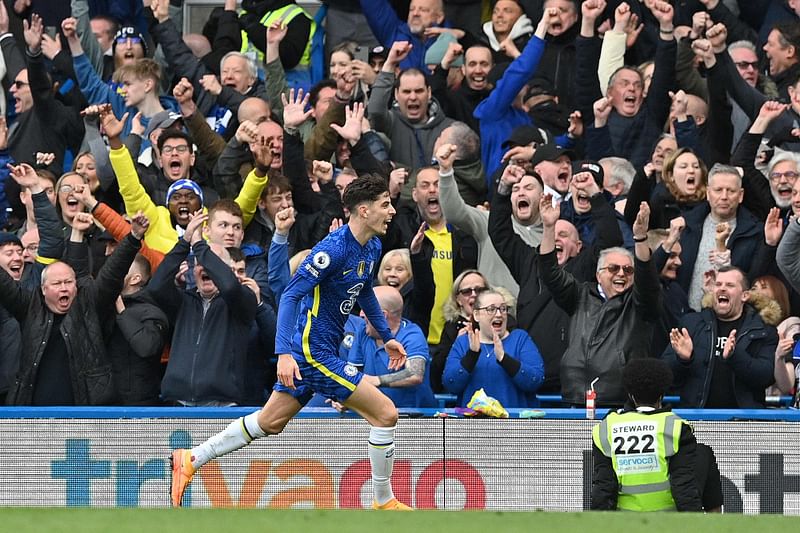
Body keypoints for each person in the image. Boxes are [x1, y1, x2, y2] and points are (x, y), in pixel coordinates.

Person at [170, 174, 413, 511]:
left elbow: (365, 291)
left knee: (269, 421)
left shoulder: (371, 246)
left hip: (317, 351)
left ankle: (192, 458)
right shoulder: (331, 250)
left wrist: (387, 338)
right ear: (363, 209)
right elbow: (289, 296)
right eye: (385, 204)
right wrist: (284, 353)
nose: (390, 211)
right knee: (386, 414)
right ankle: (383, 501)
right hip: (313, 353)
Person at [591, 358, 722, 512]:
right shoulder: (675, 427)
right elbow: (684, 487)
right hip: (668, 521)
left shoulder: (607, 427)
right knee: (703, 452)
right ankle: (716, 521)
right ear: (662, 394)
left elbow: (604, 488)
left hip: (625, 522)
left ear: (630, 395)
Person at [663, 266, 779, 408]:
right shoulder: (691, 324)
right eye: (718, 284)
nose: (722, 288)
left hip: (744, 422)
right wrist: (683, 360)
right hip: (696, 418)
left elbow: (766, 376)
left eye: (730, 285)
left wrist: (734, 356)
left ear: (745, 295)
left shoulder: (763, 330)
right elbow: (665, 375)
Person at [443, 288, 544, 408]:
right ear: (476, 315)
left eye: (503, 309)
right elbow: (450, 384)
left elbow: (535, 380)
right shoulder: (464, 342)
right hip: (473, 423)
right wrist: (472, 355)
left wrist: (504, 359)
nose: (499, 314)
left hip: (513, 423)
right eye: (491, 309)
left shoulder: (520, 339)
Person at [349, 285, 436, 408]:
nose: (361, 314)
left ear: (382, 314)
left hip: (414, 416)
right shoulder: (363, 330)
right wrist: (345, 397)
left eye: (365, 309)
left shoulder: (412, 335)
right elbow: (353, 374)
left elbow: (414, 374)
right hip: (375, 413)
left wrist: (376, 380)